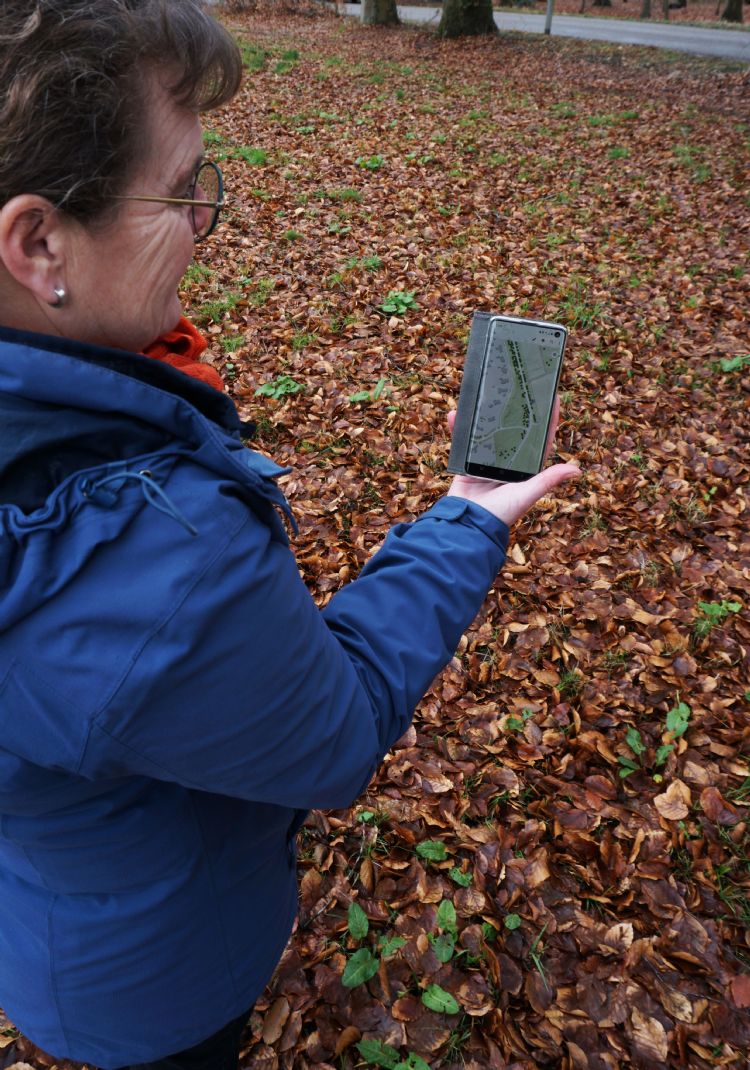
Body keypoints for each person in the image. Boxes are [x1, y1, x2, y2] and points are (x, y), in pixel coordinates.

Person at [0, 2, 580, 1069]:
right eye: (182, 190)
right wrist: (465, 519)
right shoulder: (152, 558)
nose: (204, 222)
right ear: (40, 243)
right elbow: (336, 732)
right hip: (159, 981)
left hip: (47, 912)